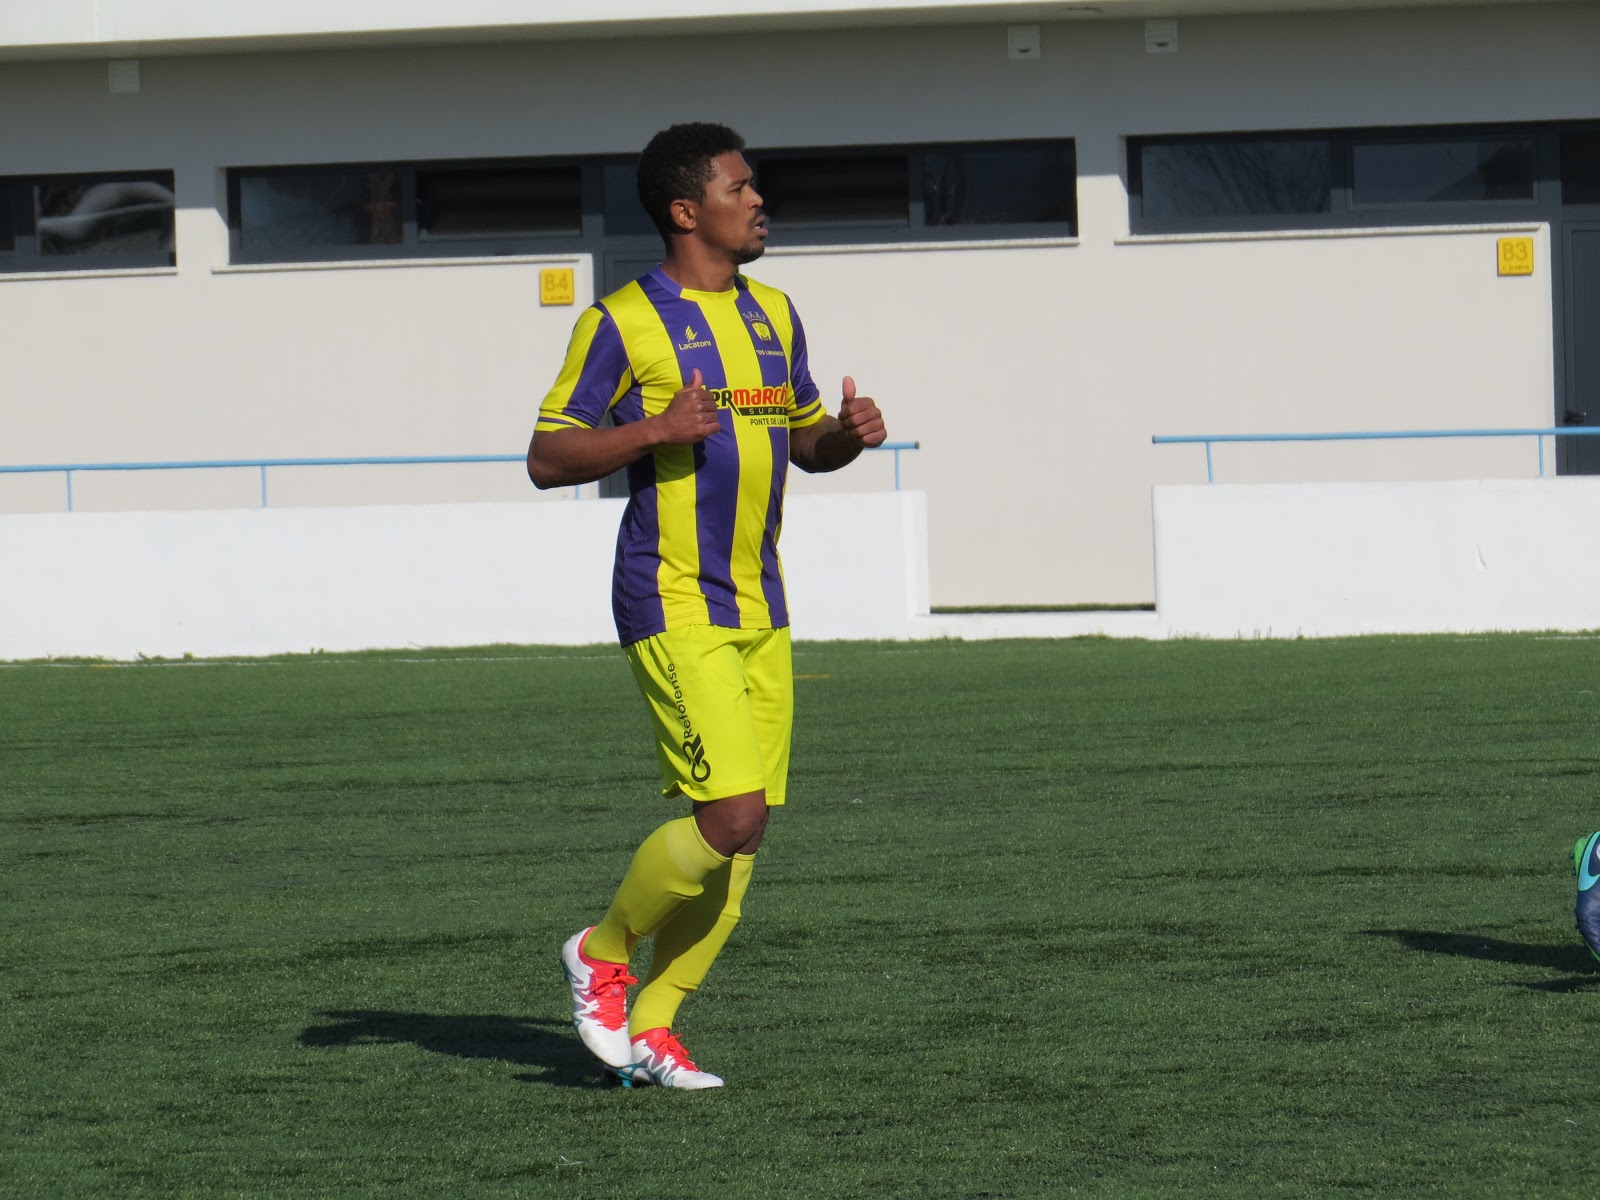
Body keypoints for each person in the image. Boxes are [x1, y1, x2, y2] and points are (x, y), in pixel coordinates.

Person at [527, 122, 887, 1089]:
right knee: (729, 816)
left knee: (744, 837)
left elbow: (804, 441)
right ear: (687, 211)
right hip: (671, 595)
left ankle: (655, 1026)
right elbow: (547, 457)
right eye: (740, 187)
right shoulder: (619, 322)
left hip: (761, 603)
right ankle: (600, 952)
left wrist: (846, 436)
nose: (758, 200)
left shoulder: (775, 313)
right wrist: (653, 429)